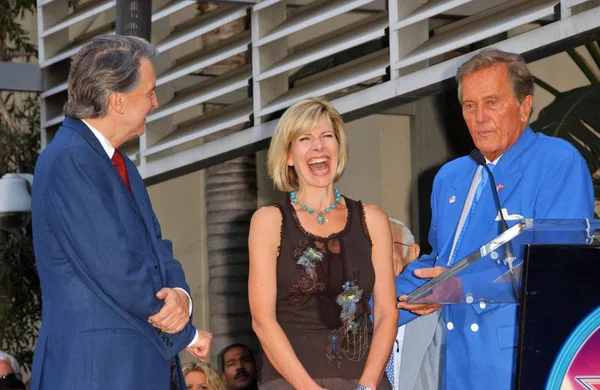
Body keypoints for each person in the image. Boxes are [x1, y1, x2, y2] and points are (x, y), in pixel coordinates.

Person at [395, 48, 594, 390]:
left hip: (524, 363)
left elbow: (556, 271)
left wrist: (457, 287)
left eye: (492, 102)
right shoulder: (449, 177)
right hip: (455, 366)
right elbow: (438, 264)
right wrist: (359, 305)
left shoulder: (557, 162)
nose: (479, 117)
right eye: (469, 105)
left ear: (524, 107)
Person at [30, 35, 212, 390]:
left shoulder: (116, 163)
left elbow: (157, 248)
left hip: (126, 367)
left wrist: (181, 295)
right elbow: (116, 267)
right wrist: (183, 330)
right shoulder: (70, 160)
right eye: (149, 92)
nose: (155, 102)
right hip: (96, 372)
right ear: (116, 101)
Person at [249, 97, 398, 390]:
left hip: (363, 381)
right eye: (305, 139)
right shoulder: (268, 221)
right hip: (291, 383)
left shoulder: (373, 219)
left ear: (338, 147)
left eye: (326, 136)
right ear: (289, 155)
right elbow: (262, 321)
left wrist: (367, 387)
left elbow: (386, 313)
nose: (318, 146)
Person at [378, 219, 444, 390]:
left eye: (382, 244)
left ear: (413, 253)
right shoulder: (352, 316)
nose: (372, 256)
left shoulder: (441, 312)